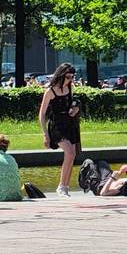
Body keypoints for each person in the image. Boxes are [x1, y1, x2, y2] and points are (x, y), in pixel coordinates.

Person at [39, 63, 81, 197]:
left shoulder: (70, 87)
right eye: (68, 77)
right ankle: (61, 186)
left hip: (70, 123)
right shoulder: (50, 91)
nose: (70, 80)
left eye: (73, 77)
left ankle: (65, 186)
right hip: (57, 125)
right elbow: (42, 114)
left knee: (72, 154)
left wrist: (75, 109)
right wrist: (45, 134)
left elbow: (75, 102)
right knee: (69, 152)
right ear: (62, 75)